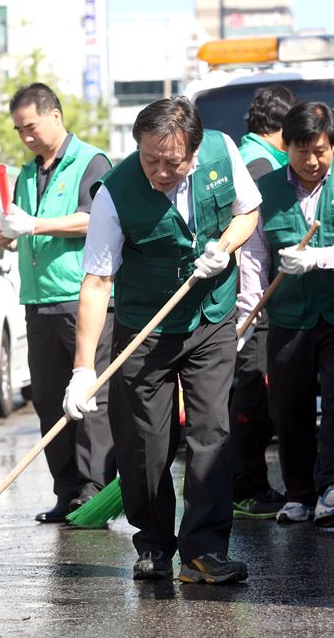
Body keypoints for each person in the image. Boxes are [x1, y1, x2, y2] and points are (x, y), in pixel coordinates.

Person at [63, 96, 261, 583]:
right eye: (149, 158)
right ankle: (153, 543)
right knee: (145, 444)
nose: (159, 171)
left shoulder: (222, 153)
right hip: (145, 330)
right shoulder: (115, 193)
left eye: (171, 162)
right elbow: (97, 281)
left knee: (211, 432)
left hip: (210, 317)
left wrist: (224, 248)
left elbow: (248, 211)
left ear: (194, 151)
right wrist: (83, 370)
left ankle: (204, 551)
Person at [237, 100, 334, 528]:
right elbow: (255, 259)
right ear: (287, 147)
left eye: (321, 151)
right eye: (303, 152)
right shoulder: (266, 191)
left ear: (333, 145)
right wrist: (246, 317)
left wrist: (318, 258)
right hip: (288, 318)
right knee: (288, 407)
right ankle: (300, 494)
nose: (313, 161)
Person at [0, 83, 116, 523]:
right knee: (48, 400)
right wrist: (6, 235)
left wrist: (34, 225)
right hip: (38, 300)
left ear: (55, 116)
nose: (26, 136)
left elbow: (92, 219)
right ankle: (66, 491)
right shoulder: (27, 174)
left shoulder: (91, 161)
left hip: (83, 296)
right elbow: (21, 232)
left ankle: (94, 491)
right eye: (19, 130)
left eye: (31, 126)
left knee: (90, 399)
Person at [230, 85, 299, 520]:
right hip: (252, 301)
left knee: (252, 393)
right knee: (251, 395)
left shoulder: (250, 157)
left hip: (253, 299)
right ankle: (246, 487)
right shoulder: (260, 166)